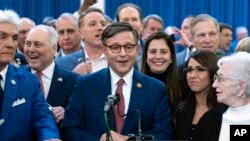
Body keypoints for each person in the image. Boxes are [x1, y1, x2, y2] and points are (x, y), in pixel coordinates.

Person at [62, 22, 172, 140]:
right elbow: (70, 129)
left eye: (129, 47)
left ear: (137, 49)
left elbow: (163, 134)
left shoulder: (156, 89)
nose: (123, 54)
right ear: (104, 50)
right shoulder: (85, 85)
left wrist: (127, 139)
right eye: (115, 48)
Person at [0, 9, 60, 141]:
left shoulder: (28, 81)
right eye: (2, 36)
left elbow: (43, 118)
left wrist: (50, 138)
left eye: (14, 38)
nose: (10, 44)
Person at [23, 25, 78, 125]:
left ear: (54, 49)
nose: (31, 49)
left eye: (38, 44)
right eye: (28, 44)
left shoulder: (73, 81)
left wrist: (67, 115)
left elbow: (81, 119)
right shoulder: (13, 77)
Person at [193, 52, 250, 141]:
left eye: (221, 79)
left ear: (241, 86)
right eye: (216, 78)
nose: (214, 85)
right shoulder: (209, 120)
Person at [174, 50, 221, 140]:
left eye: (200, 69)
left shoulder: (226, 110)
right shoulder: (180, 110)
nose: (192, 75)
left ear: (213, 73)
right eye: (189, 70)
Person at [56, 7, 108, 75]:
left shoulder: (119, 59)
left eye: (103, 24)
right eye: (92, 24)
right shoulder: (62, 63)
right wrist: (74, 76)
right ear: (81, 33)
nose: (100, 28)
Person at [141, 31, 181, 110]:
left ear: (171, 58)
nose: (158, 56)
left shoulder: (183, 86)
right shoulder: (136, 86)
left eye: (163, 52)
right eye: (153, 52)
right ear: (146, 57)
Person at [115, 3, 144, 70]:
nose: (130, 24)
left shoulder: (149, 49)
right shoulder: (109, 51)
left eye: (134, 19)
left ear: (142, 24)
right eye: (125, 20)